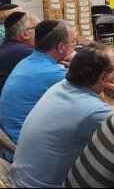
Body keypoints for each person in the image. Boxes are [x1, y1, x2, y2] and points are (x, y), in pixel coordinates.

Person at [11, 42, 114, 188]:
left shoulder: (60, 86)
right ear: (103, 77)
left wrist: (101, 88)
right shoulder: (92, 110)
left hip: (22, 179)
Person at [0, 20, 77, 157]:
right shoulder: (53, 74)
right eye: (73, 42)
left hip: (12, 142)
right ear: (61, 47)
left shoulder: (27, 61)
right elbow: (93, 94)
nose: (75, 46)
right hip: (28, 152)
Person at [0, 12, 40, 92]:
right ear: (25, 34)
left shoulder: (8, 46)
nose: (44, 32)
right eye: (39, 28)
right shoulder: (25, 52)